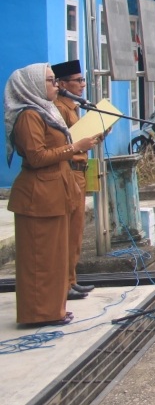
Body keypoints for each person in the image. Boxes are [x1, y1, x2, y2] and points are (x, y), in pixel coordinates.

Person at [6, 63, 99, 327]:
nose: (55, 85)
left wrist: (82, 143)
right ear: (33, 85)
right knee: (41, 257)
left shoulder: (44, 112)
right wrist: (74, 147)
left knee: (56, 255)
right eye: (50, 81)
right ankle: (38, 313)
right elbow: (36, 157)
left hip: (56, 188)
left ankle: (52, 309)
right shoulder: (28, 116)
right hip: (38, 193)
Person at [51, 60, 93, 294]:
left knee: (76, 232)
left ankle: (71, 279)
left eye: (82, 79)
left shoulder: (73, 107)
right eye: (77, 81)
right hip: (69, 171)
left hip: (80, 172)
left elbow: (80, 141)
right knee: (68, 232)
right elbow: (67, 144)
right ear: (62, 84)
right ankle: (65, 283)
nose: (82, 85)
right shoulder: (58, 108)